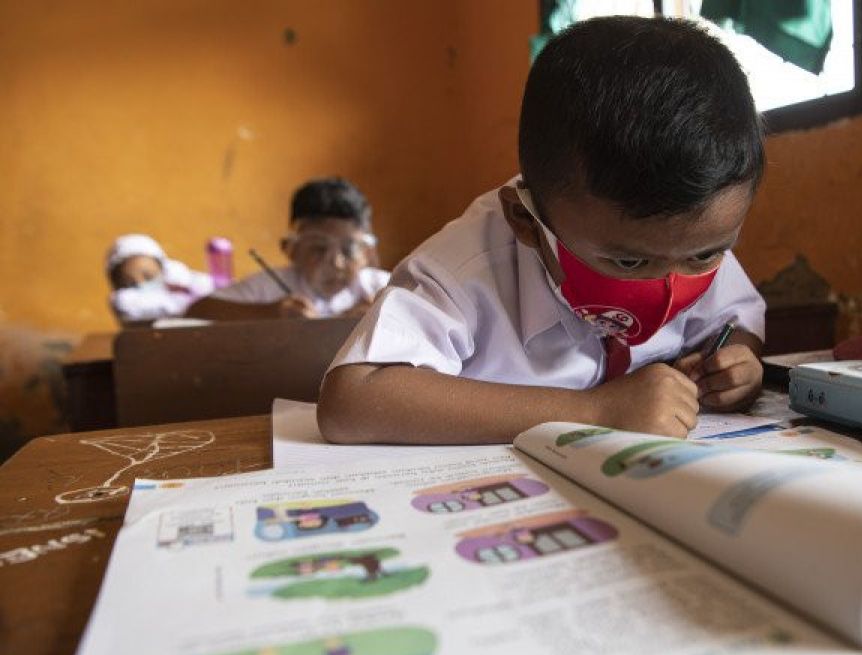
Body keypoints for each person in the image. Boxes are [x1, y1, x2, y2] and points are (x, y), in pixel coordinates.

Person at [318, 15, 766, 444]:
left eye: (705, 256)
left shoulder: (689, 241)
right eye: (628, 261)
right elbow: (353, 398)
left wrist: (734, 369)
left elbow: (735, 324)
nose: (668, 284)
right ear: (526, 221)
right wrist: (594, 412)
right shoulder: (465, 267)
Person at [186, 177, 389, 320]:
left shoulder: (381, 287)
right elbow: (197, 310)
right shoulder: (271, 286)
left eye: (349, 249)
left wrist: (386, 314)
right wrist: (270, 313)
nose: (336, 263)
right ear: (291, 249)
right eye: (318, 248)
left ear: (367, 253)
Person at [106, 233, 214, 325]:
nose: (141, 284)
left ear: (163, 269)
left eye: (149, 276)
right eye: (129, 283)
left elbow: (214, 288)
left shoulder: (182, 280)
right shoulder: (123, 303)